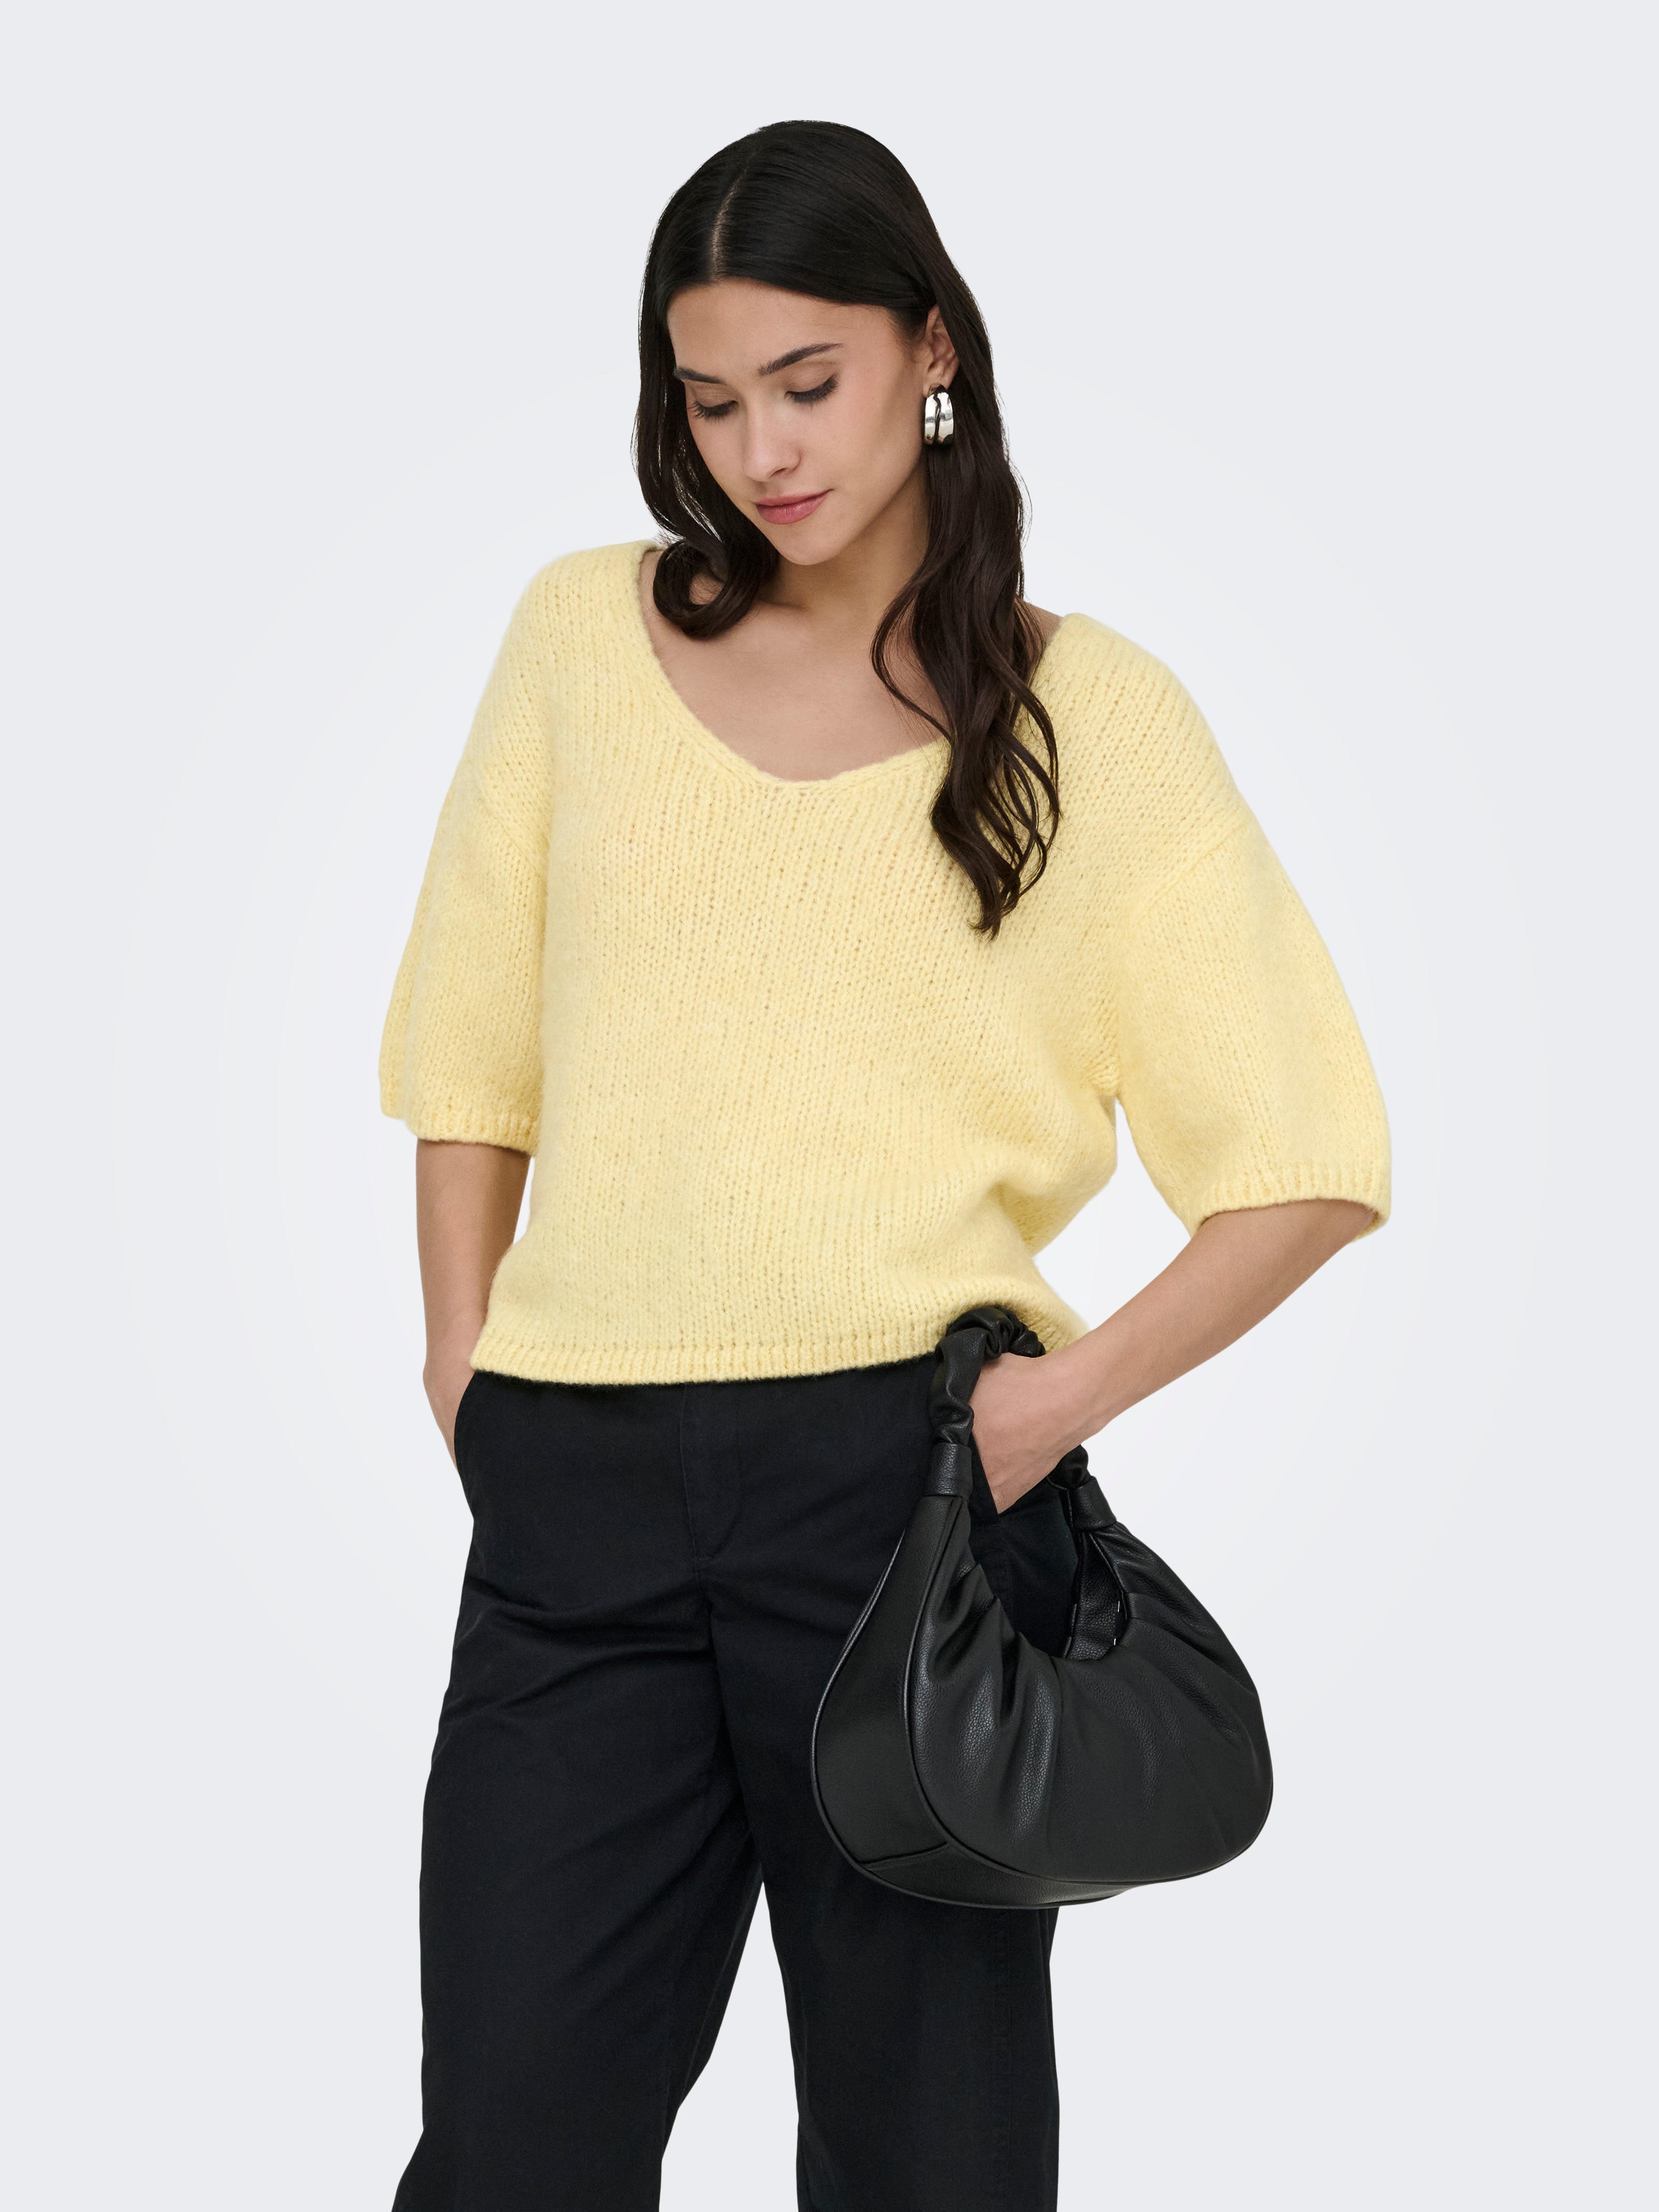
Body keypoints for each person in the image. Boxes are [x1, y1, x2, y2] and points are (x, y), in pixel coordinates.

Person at [378, 119, 1390, 2212]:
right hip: (573, 1493)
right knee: (509, 2141)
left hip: (907, 1497)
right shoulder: (578, 638)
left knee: (930, 2159)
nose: (760, 448)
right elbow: (469, 1045)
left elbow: (1305, 1155)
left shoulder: (1086, 715)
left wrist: (1043, 1409)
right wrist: (461, 1359)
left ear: (930, 350)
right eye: (709, 398)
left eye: (807, 381)